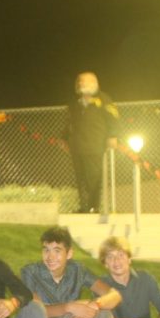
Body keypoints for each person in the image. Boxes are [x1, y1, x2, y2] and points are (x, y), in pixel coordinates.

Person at [63, 71, 120, 213]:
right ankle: (83, 207)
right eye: (80, 82)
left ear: (95, 84)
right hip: (77, 146)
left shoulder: (104, 99)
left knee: (93, 178)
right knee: (80, 179)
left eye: (85, 81)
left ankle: (93, 207)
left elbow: (113, 119)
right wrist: (63, 138)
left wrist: (112, 136)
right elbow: (69, 122)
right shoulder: (74, 103)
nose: (81, 84)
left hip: (95, 145)